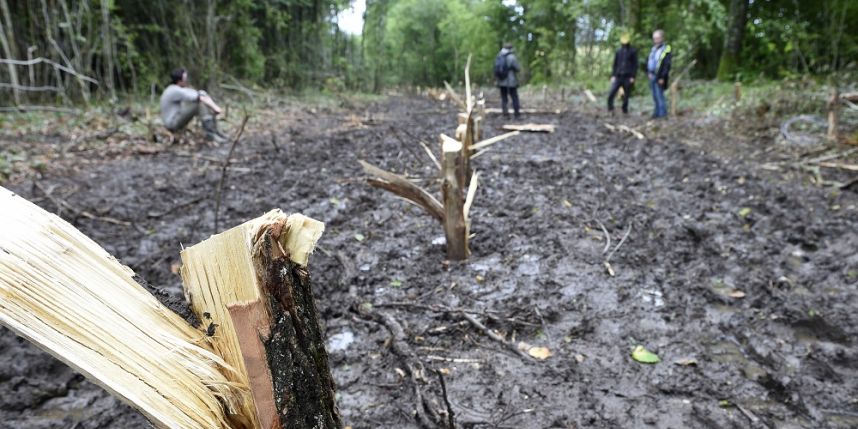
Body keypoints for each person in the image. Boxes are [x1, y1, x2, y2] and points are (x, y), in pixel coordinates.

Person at [160, 68, 226, 142]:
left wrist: (212, 104)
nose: (186, 80)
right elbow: (199, 97)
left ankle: (217, 132)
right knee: (198, 104)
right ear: (179, 81)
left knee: (204, 102)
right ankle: (210, 134)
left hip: (176, 117)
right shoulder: (175, 90)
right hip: (172, 123)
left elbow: (200, 93)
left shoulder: (176, 89)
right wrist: (215, 108)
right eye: (185, 79)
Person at [607, 34, 638, 115]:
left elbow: (635, 65)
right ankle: (610, 108)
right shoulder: (618, 51)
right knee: (612, 92)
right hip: (618, 76)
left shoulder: (633, 51)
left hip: (628, 77)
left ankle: (624, 110)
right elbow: (615, 64)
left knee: (626, 95)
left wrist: (633, 76)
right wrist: (613, 75)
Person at [646, 29, 672, 119]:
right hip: (652, 75)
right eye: (654, 38)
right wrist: (649, 72)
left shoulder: (666, 49)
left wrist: (662, 77)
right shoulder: (653, 49)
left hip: (660, 76)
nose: (656, 40)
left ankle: (662, 114)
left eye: (657, 38)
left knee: (660, 95)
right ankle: (656, 113)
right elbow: (650, 61)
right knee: (654, 96)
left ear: (662, 38)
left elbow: (666, 65)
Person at [494, 43, 522, 119]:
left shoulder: (499, 56)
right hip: (511, 81)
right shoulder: (512, 57)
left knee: (504, 98)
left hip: (501, 82)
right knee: (514, 97)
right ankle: (517, 114)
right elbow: (517, 68)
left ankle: (505, 114)